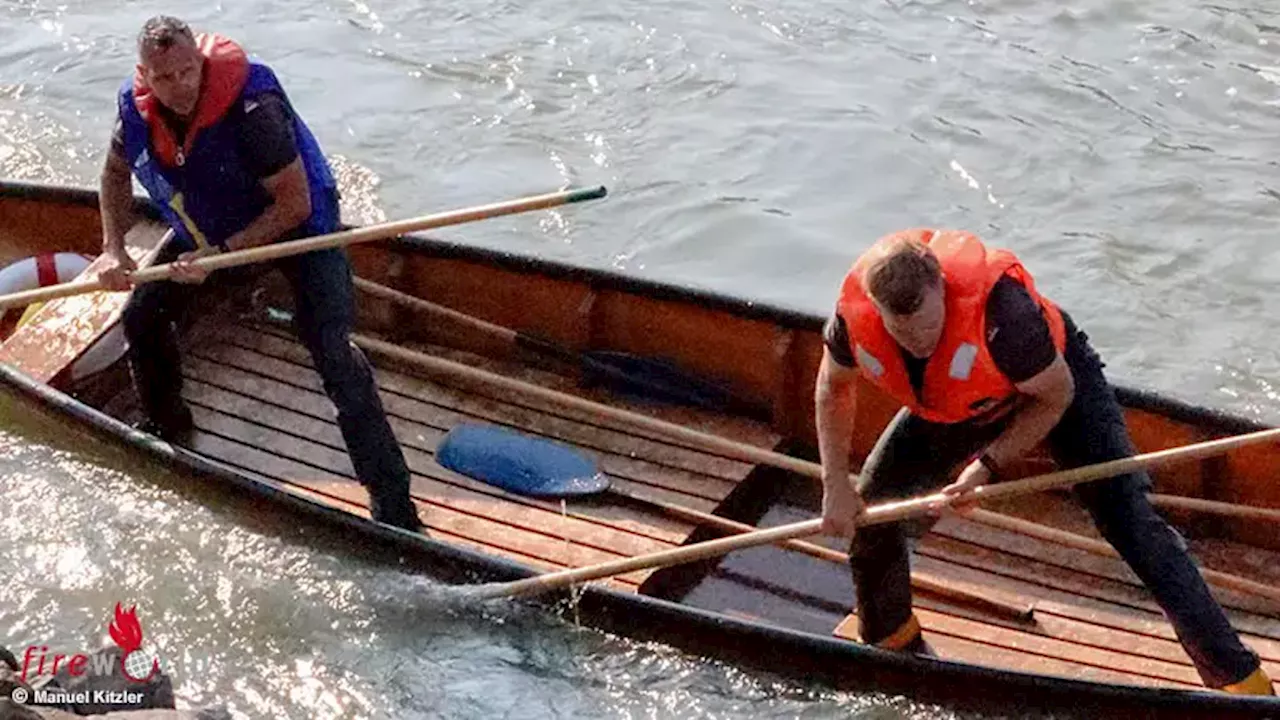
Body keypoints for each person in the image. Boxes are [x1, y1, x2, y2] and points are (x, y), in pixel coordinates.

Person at [814, 227, 1274, 695]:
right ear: (880, 313)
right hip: (956, 399)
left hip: (1053, 388)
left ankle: (1240, 682)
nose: (919, 343)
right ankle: (891, 649)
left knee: (1130, 523)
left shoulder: (1006, 317)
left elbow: (1055, 397)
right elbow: (834, 388)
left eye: (929, 327)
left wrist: (986, 466)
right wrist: (835, 484)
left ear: (943, 290)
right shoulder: (854, 321)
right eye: (903, 333)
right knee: (872, 515)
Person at [95, 16, 424, 533]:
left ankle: (395, 506)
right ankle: (169, 431)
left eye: (188, 72)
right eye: (164, 78)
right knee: (142, 318)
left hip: (297, 229)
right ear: (145, 75)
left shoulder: (253, 111)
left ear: (201, 63)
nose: (180, 87)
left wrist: (223, 255)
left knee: (333, 352)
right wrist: (113, 250)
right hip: (211, 225)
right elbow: (114, 174)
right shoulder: (133, 110)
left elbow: (293, 204)